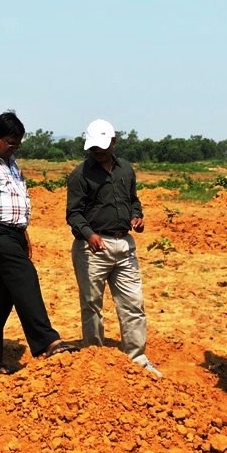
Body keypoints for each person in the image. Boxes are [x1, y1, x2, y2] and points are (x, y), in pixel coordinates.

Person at [0, 110, 72, 374]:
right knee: (25, 275)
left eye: (18, 144)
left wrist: (24, 234)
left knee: (2, 295)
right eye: (10, 142)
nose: (14, 148)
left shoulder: (10, 162)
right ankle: (46, 340)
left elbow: (15, 201)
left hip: (13, 234)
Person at [66, 119, 160, 378]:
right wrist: (89, 235)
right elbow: (73, 214)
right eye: (93, 148)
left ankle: (137, 358)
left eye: (102, 147)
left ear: (113, 143)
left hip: (124, 244)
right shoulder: (80, 175)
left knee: (132, 302)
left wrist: (136, 216)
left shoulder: (126, 170)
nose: (97, 152)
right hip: (93, 248)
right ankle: (94, 359)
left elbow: (133, 201)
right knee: (92, 304)